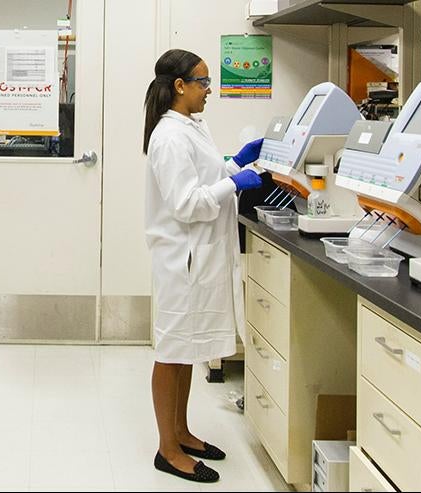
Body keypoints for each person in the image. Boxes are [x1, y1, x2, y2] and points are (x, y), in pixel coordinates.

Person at [141, 49, 264, 484]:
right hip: (182, 260)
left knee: (187, 352)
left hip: (198, 257)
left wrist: (235, 163)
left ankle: (183, 432)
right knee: (172, 351)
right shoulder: (170, 136)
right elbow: (187, 202)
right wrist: (233, 183)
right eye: (204, 82)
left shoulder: (191, 127)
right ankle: (167, 449)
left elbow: (203, 179)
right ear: (180, 86)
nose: (209, 91)